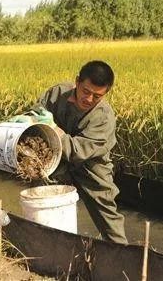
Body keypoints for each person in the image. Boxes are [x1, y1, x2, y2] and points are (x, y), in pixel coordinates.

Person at [31, 60, 127, 244]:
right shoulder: (56, 94)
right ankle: (46, 242)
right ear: (77, 82)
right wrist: (33, 118)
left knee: (106, 211)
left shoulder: (104, 117)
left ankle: (120, 253)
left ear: (106, 93)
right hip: (55, 158)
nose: (89, 99)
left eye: (97, 96)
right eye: (86, 91)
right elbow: (36, 113)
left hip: (91, 164)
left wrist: (54, 129)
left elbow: (78, 151)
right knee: (42, 194)